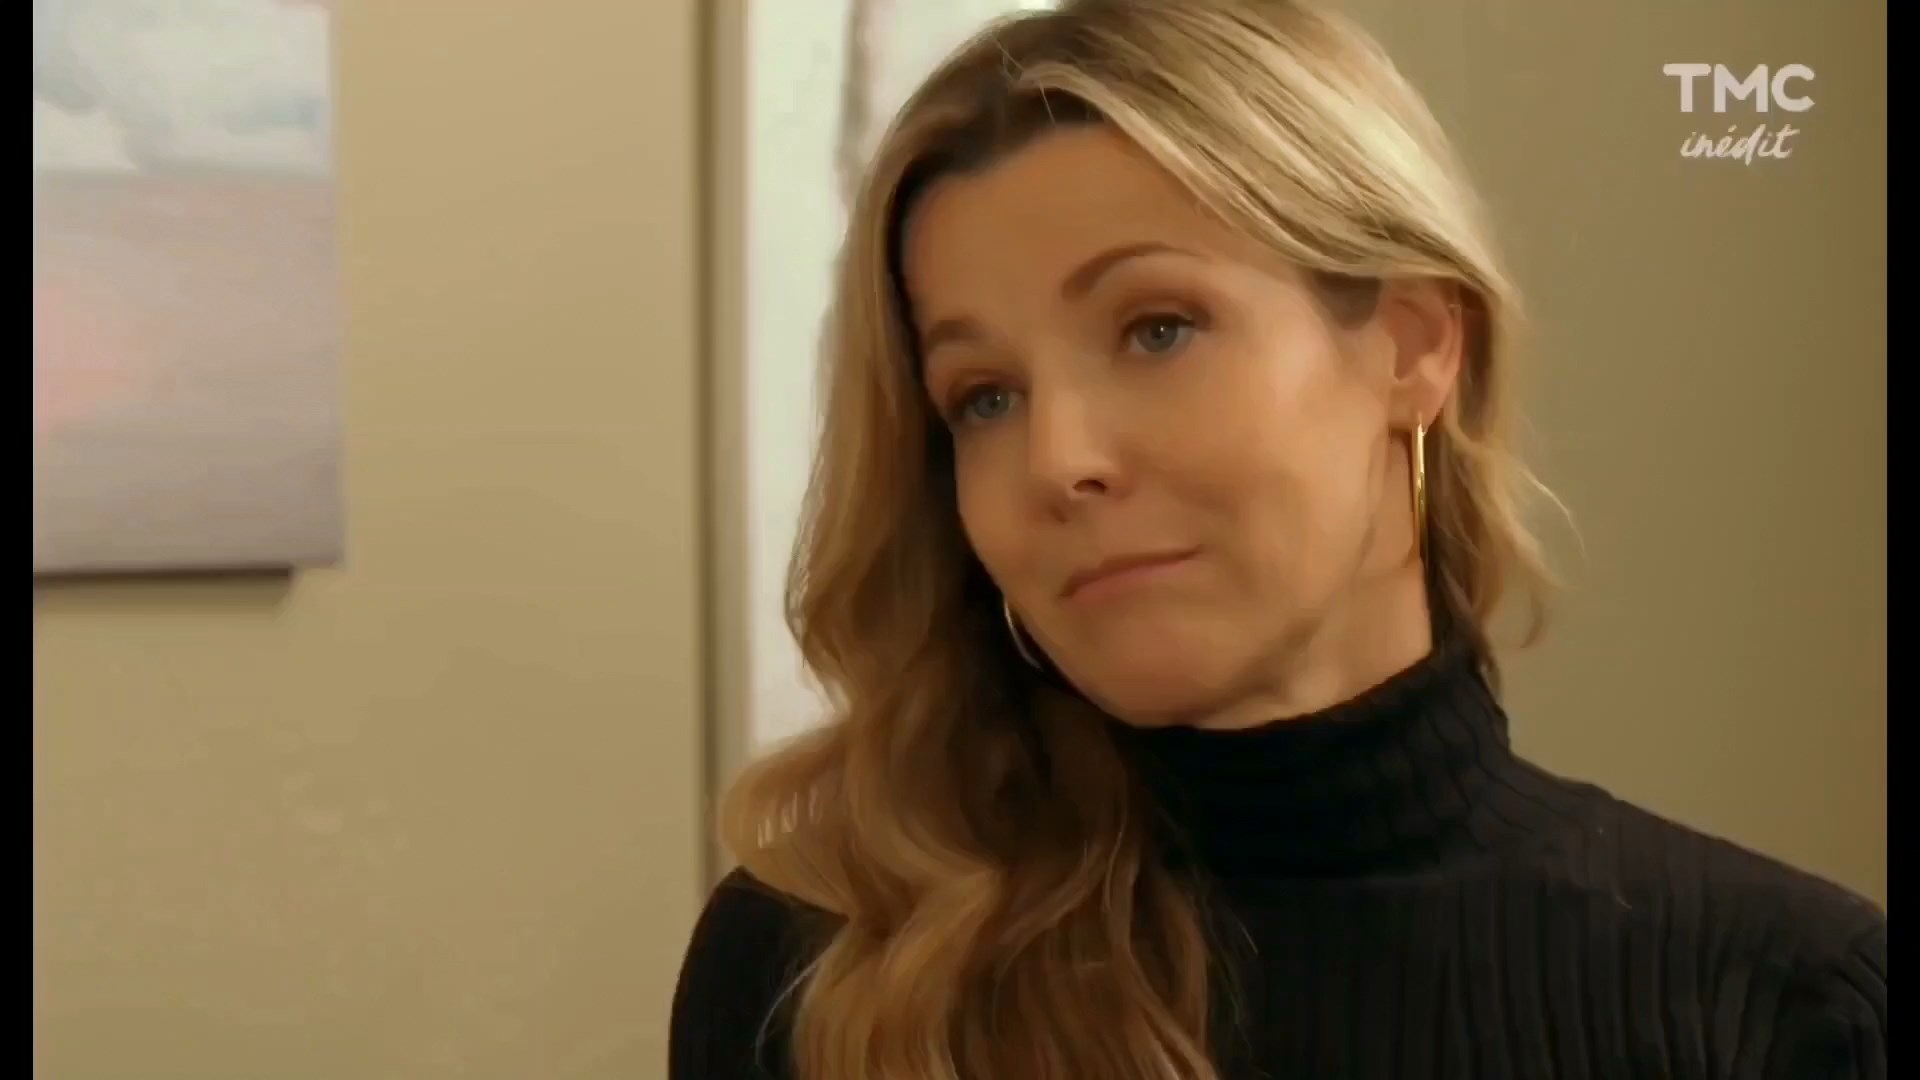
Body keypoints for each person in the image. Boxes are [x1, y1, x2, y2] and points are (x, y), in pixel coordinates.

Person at [669, 1, 1888, 1077]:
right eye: (983, 396)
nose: (1058, 460)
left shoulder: (1788, 1002)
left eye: (1157, 328)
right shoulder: (822, 972)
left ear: (1414, 344)